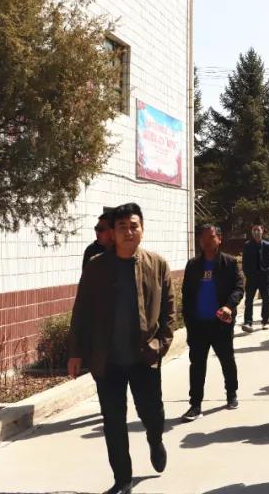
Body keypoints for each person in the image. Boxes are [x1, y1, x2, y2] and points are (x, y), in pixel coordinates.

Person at [67, 203, 172, 494]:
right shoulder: (97, 266)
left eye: (133, 226)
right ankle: (123, 479)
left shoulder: (157, 264)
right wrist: (75, 351)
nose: (128, 232)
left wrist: (160, 344)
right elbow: (81, 310)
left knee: (152, 413)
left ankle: (155, 440)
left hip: (144, 357)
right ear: (113, 233)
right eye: (122, 227)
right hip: (107, 360)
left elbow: (169, 311)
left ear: (142, 229)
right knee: (113, 421)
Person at [181, 225, 244, 421]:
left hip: (220, 323)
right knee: (197, 365)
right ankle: (195, 405)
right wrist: (189, 321)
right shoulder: (193, 265)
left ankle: (231, 393)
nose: (207, 241)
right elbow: (186, 295)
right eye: (203, 238)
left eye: (211, 237)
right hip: (198, 325)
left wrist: (229, 306)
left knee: (227, 360)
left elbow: (239, 287)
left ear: (219, 239)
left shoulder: (229, 263)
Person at [241, 224, 269, 332]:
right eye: (254, 230)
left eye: (258, 230)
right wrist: (247, 273)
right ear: (251, 232)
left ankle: (265, 321)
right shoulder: (247, 245)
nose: (256, 232)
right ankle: (248, 322)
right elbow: (244, 262)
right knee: (249, 300)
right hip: (251, 277)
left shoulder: (268, 245)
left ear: (262, 231)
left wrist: (268, 272)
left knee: (266, 299)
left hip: (264, 277)